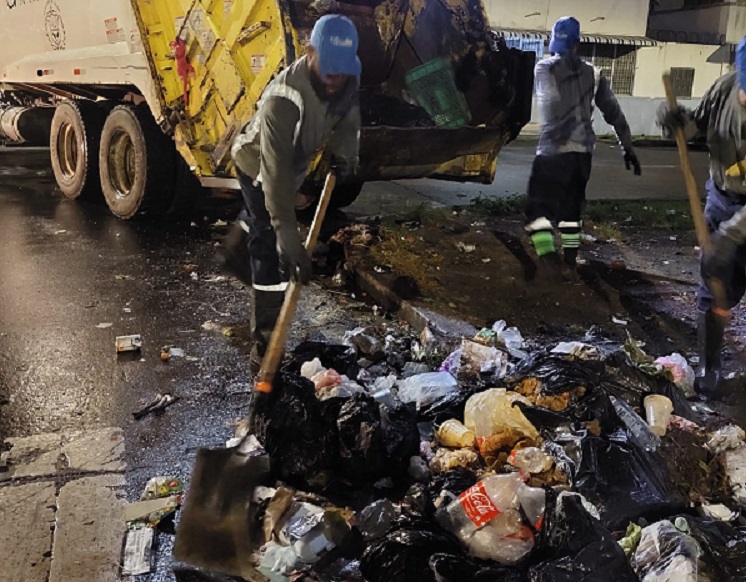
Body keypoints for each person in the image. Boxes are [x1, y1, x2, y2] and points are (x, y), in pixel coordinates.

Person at [225, 14, 362, 372]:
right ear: (308, 51)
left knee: (263, 224)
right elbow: (274, 176)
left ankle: (239, 239)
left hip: (295, 160)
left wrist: (347, 153)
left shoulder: (349, 72)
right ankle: (266, 341)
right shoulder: (282, 100)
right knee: (271, 246)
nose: (335, 80)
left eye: (342, 70)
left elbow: (348, 115)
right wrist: (288, 236)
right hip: (258, 164)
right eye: (328, 68)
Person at [657, 36, 746, 399]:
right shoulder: (726, 87)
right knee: (714, 284)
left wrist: (730, 237)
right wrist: (678, 121)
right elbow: (697, 128)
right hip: (724, 196)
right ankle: (710, 367)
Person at [525, 16, 641, 280]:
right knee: (571, 210)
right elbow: (614, 113)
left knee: (537, 210)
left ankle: (548, 261)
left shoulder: (544, 68)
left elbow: (549, 104)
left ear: (555, 42)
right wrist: (627, 146)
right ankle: (569, 263)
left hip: (553, 151)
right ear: (577, 44)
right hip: (582, 154)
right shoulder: (595, 73)